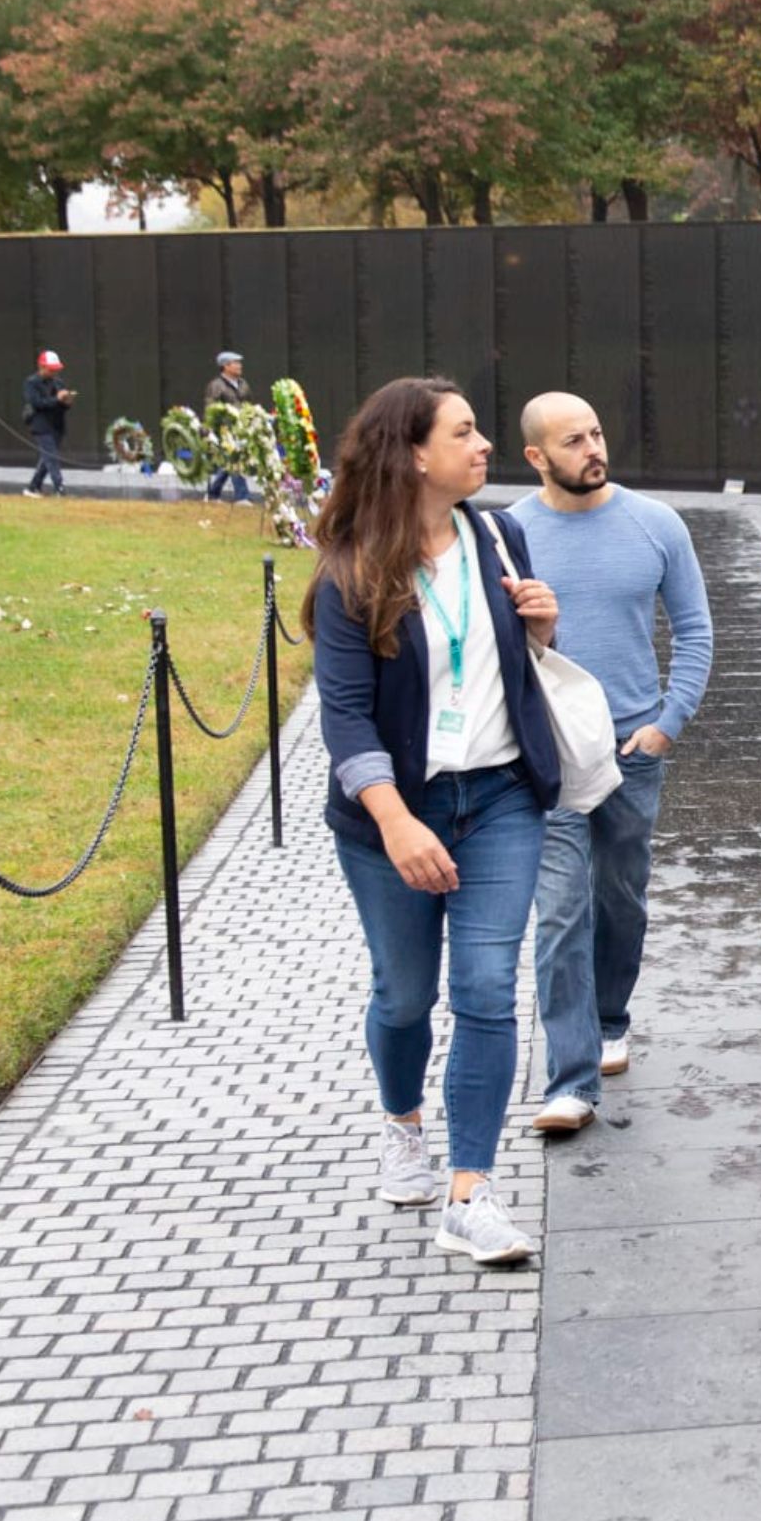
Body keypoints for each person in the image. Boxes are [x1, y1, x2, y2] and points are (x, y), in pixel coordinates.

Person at [305, 376, 561, 1269]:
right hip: (392, 815)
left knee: (487, 990)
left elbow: (512, 658)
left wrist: (544, 625)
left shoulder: (499, 533)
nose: (484, 443)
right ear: (415, 453)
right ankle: (401, 1123)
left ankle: (471, 1194)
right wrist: (396, 822)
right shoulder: (351, 569)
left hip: (499, 800)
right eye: (464, 432)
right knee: (404, 995)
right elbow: (344, 714)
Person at [511, 391, 716, 1133]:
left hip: (633, 745)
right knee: (560, 910)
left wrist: (668, 723)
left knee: (620, 898)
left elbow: (694, 630)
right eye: (574, 441)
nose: (594, 449)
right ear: (537, 457)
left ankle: (610, 1016)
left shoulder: (654, 523)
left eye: (597, 433)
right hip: (548, 754)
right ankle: (570, 1081)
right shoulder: (510, 536)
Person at [203, 352, 256, 504]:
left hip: (241, 428)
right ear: (225, 366)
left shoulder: (243, 384)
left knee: (228, 462)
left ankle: (213, 494)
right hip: (224, 429)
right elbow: (210, 408)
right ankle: (242, 496)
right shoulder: (216, 386)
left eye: (239, 363)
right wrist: (211, 429)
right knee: (234, 458)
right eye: (236, 363)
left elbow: (249, 405)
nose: (240, 366)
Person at [21, 350, 74, 496]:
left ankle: (33, 487)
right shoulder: (31, 383)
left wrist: (67, 402)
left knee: (47, 457)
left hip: (57, 425)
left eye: (56, 370)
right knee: (51, 456)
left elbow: (62, 405)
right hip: (40, 425)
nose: (54, 373)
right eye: (51, 369)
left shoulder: (58, 382)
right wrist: (57, 399)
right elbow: (37, 403)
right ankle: (59, 487)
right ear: (41, 367)